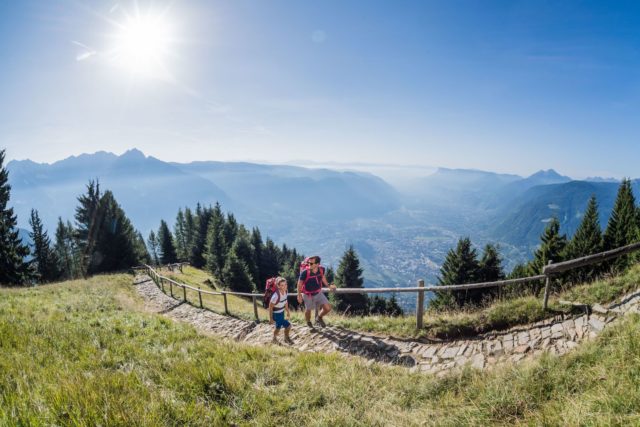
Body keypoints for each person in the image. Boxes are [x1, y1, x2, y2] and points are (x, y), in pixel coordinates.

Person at [297, 255, 336, 328]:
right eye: (308, 263)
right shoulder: (305, 272)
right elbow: (299, 283)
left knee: (328, 308)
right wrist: (299, 295)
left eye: (311, 263)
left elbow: (323, 277)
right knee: (308, 310)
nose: (309, 265)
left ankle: (319, 317)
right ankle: (308, 322)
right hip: (307, 294)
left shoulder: (321, 270)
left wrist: (328, 286)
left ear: (317, 264)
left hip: (318, 292)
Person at [269, 277, 294, 345]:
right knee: (287, 326)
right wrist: (271, 318)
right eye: (282, 285)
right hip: (276, 314)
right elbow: (270, 307)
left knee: (278, 327)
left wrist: (288, 311)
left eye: (285, 284)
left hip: (282, 312)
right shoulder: (276, 296)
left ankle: (276, 338)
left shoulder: (285, 291)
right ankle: (283, 337)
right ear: (278, 286)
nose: (284, 286)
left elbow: (285, 302)